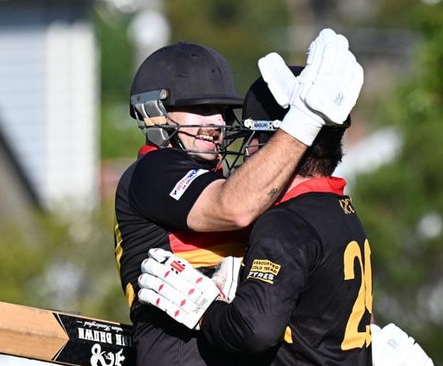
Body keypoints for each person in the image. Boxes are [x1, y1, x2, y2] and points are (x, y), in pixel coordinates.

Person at [138, 72, 434, 366]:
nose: (248, 149)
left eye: (252, 138)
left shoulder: (285, 222)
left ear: (278, 146)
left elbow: (254, 331)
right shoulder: (342, 210)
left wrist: (206, 311)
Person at [115, 28, 364, 366]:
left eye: (222, 110)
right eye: (199, 109)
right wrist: (305, 118)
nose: (216, 122)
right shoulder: (153, 171)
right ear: (153, 112)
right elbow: (234, 208)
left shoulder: (225, 182)